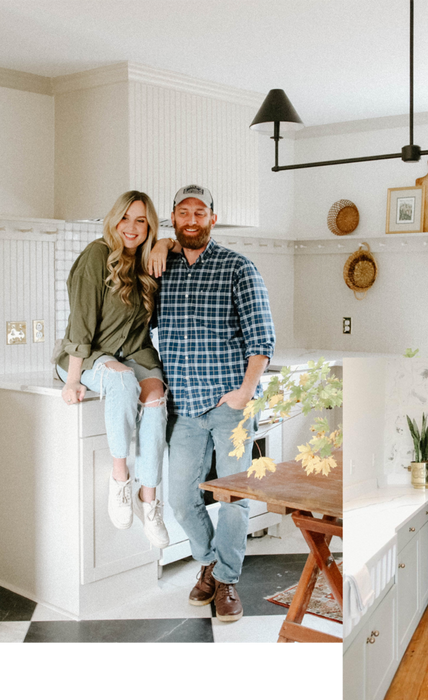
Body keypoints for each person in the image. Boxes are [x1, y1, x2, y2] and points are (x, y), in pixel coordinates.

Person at [149, 184, 275, 622]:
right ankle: (209, 563)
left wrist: (244, 392)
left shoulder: (238, 267)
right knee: (182, 499)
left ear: (212, 219)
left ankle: (226, 581)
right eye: (183, 212)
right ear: (173, 218)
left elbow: (262, 339)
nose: (191, 219)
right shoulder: (162, 267)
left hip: (230, 406)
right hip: (182, 407)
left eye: (199, 212)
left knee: (234, 498)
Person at [56, 191, 170, 549]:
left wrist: (165, 243)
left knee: (155, 399)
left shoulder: (148, 261)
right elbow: (81, 320)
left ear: (149, 225)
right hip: (91, 356)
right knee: (121, 381)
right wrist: (73, 379)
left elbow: (190, 239)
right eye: (126, 218)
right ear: (114, 219)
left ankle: (149, 500)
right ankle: (120, 479)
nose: (132, 228)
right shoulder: (97, 255)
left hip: (135, 353)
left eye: (141, 221)